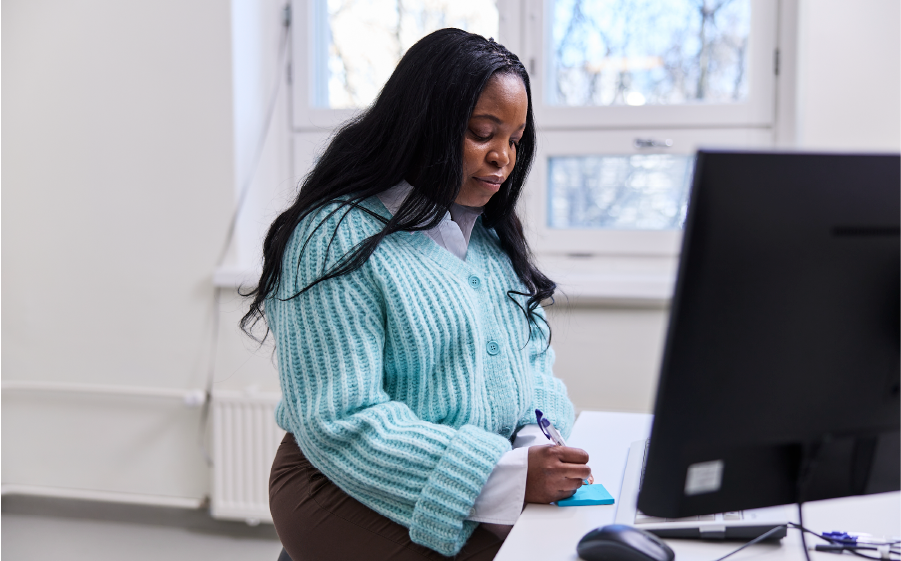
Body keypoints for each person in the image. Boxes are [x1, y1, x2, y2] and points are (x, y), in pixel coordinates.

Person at [241, 28, 592, 561]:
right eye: (482, 133)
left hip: (481, 479)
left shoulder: (491, 238)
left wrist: (533, 445)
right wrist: (502, 476)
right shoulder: (332, 236)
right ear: (422, 124)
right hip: (338, 480)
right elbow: (342, 418)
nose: (504, 158)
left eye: (515, 140)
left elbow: (534, 366)